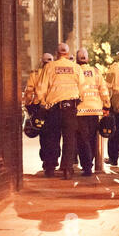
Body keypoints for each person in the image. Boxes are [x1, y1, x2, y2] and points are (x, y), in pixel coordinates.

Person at [35, 43, 85, 179]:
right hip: (70, 108)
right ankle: (67, 169)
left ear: (57, 54)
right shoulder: (76, 68)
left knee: (52, 137)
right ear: (68, 54)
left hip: (53, 109)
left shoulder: (49, 67)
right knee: (69, 139)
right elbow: (82, 88)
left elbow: (41, 88)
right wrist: (78, 101)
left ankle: (50, 167)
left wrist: (44, 104)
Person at [76, 48, 111, 176]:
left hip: (80, 110)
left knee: (82, 139)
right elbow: (104, 90)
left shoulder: (75, 71)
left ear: (76, 59)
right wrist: (106, 105)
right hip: (95, 109)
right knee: (92, 138)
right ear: (88, 59)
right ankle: (90, 162)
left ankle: (87, 167)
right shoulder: (95, 72)